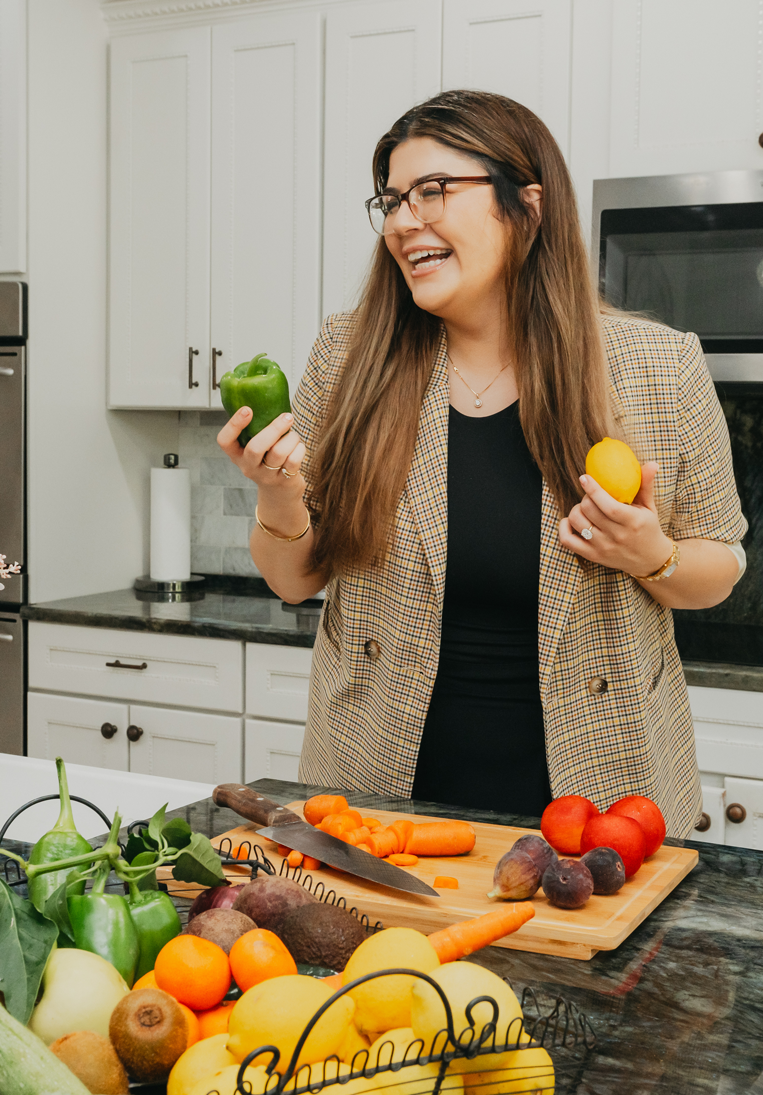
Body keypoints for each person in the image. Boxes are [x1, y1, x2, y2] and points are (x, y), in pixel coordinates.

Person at [216, 90, 746, 835]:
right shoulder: (347, 359)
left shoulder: (656, 365)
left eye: (432, 192)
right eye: (392, 200)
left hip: (601, 797)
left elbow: (719, 567)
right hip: (378, 790)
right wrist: (277, 495)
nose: (403, 222)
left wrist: (648, 554)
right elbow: (294, 578)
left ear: (525, 205)